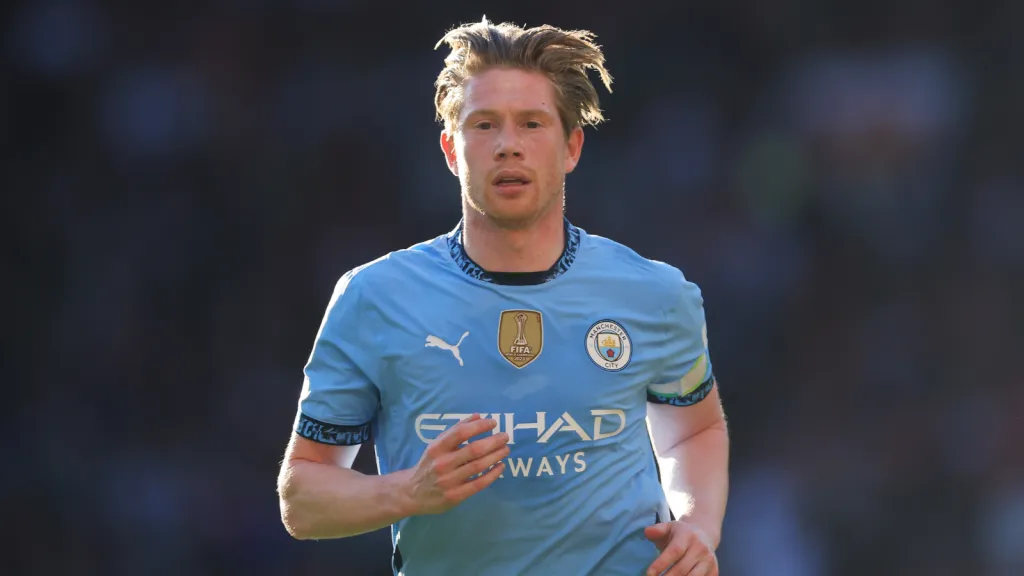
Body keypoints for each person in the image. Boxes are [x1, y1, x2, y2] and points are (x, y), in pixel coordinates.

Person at [277, 16, 729, 576]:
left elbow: (695, 428)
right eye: (484, 125)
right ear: (450, 149)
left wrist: (698, 524)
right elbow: (301, 497)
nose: (508, 146)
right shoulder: (374, 297)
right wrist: (408, 491)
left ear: (572, 147)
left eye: (532, 124)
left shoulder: (656, 294)